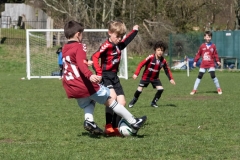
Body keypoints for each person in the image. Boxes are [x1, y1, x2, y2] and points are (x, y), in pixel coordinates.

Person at [62, 20, 147, 136]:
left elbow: (74, 63)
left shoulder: (65, 48)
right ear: (78, 34)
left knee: (89, 102)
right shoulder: (80, 46)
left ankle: (89, 121)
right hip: (86, 83)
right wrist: (91, 74)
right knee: (111, 100)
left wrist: (86, 62)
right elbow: (84, 63)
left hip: (70, 86)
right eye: (82, 34)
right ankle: (133, 121)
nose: (82, 36)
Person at [91, 20, 138, 136]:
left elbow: (127, 40)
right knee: (113, 97)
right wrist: (99, 73)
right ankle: (108, 126)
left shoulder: (118, 45)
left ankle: (115, 126)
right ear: (109, 33)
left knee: (122, 102)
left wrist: (135, 31)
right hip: (106, 75)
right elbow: (94, 57)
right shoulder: (106, 46)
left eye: (121, 36)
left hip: (114, 77)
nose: (119, 39)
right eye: (117, 36)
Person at [128, 41, 176, 108]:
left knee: (161, 89)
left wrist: (171, 79)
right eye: (158, 50)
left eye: (162, 50)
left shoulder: (163, 61)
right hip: (146, 77)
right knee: (139, 90)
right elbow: (141, 64)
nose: (160, 52)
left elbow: (167, 70)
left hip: (155, 78)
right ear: (155, 50)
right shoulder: (150, 57)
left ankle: (153, 102)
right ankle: (134, 100)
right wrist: (136, 74)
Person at [190, 31, 222, 95]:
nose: (208, 38)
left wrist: (217, 61)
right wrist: (195, 61)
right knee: (199, 76)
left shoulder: (213, 46)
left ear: (211, 38)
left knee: (213, 75)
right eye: (207, 37)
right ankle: (194, 89)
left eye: (209, 37)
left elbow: (215, 54)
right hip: (203, 64)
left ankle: (218, 88)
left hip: (211, 64)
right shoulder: (202, 46)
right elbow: (198, 54)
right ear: (204, 37)